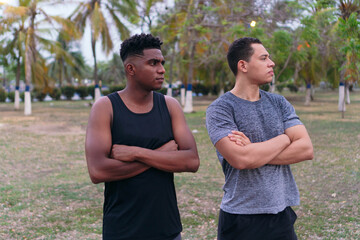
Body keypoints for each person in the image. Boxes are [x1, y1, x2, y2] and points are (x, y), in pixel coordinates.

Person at [85, 33, 200, 240]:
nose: (161, 69)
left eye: (162, 63)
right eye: (153, 63)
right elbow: (98, 171)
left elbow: (191, 161)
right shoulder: (106, 107)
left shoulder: (169, 105)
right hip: (122, 230)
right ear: (131, 69)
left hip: (168, 230)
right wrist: (162, 155)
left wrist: (137, 153)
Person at [206, 37, 314, 240]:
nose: (271, 63)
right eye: (264, 58)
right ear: (243, 65)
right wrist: (284, 138)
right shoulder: (220, 109)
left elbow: (306, 149)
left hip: (281, 214)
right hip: (240, 217)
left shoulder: (279, 102)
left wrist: (254, 152)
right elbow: (241, 159)